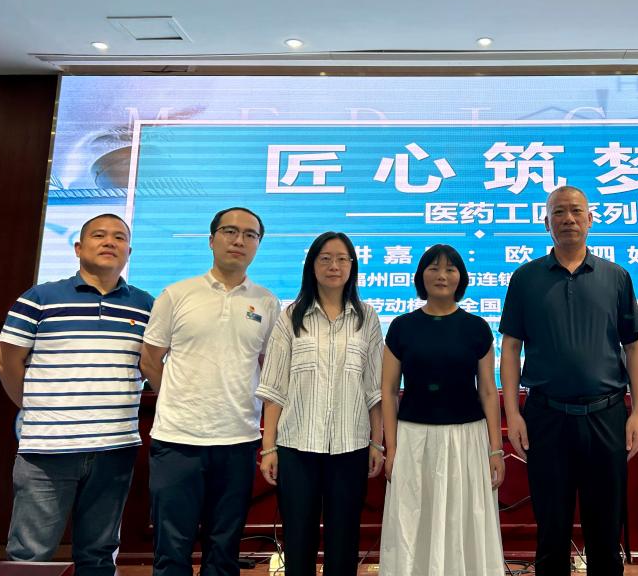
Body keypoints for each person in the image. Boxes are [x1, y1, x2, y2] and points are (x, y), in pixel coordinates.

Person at [0, 213, 154, 576]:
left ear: (129, 251)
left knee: (98, 554)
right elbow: (5, 361)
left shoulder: (145, 305)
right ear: (79, 248)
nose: (109, 242)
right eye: (99, 235)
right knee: (29, 554)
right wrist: (36, 408)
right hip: (46, 451)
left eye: (119, 237)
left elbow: (150, 365)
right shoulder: (40, 298)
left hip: (115, 448)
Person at [500, 185, 638, 576]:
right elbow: (511, 348)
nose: (568, 219)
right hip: (546, 417)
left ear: (590, 219)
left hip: (607, 416)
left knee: (606, 532)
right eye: (559, 212)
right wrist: (513, 414)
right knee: (551, 532)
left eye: (576, 211)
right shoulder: (525, 278)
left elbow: (635, 347)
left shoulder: (616, 277)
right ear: (546, 222)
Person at [140, 207, 280, 576]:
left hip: (238, 440)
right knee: (172, 550)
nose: (239, 241)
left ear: (258, 245)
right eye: (230, 231)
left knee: (224, 550)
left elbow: (269, 370)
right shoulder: (177, 294)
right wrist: (178, 399)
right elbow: (150, 360)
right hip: (177, 441)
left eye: (250, 235)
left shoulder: (267, 302)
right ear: (212, 239)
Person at [256, 232, 384, 576]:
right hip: (297, 445)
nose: (334, 266)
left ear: (352, 266)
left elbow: (374, 388)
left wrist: (377, 442)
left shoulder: (366, 318)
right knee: (299, 539)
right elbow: (275, 388)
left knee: (344, 539)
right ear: (311, 266)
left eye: (342, 259)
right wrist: (269, 448)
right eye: (325, 258)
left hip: (351, 445)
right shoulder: (291, 317)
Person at [379, 244, 505, 576]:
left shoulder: (477, 328)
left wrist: (495, 449)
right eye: (433, 268)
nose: (442, 275)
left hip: (466, 439)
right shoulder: (401, 327)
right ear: (421, 276)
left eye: (450, 269)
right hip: (413, 439)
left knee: (463, 519)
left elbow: (488, 392)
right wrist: (392, 447)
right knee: (413, 520)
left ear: (461, 278)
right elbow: (388, 391)